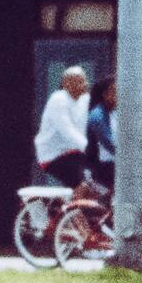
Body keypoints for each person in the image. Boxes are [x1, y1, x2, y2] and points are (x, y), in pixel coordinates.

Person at [34, 65, 93, 197]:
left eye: (85, 80)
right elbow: (68, 131)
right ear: (66, 84)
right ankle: (74, 216)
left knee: (96, 184)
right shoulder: (58, 99)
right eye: (80, 81)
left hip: (74, 152)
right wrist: (90, 149)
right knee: (81, 186)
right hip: (53, 155)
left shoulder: (85, 99)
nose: (85, 84)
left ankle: (76, 211)